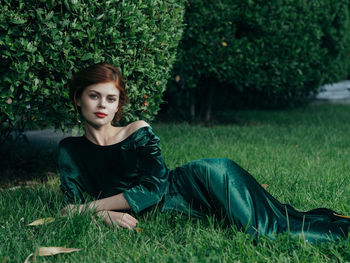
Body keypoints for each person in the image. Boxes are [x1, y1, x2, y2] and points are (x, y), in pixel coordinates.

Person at [58, 62, 350, 243]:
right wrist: (104, 215)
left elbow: (153, 190)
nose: (102, 105)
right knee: (268, 224)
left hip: (204, 181)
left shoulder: (136, 131)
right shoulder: (71, 150)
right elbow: (67, 206)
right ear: (78, 99)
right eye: (94, 95)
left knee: (265, 231)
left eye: (111, 98)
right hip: (181, 206)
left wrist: (90, 209)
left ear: (118, 104)